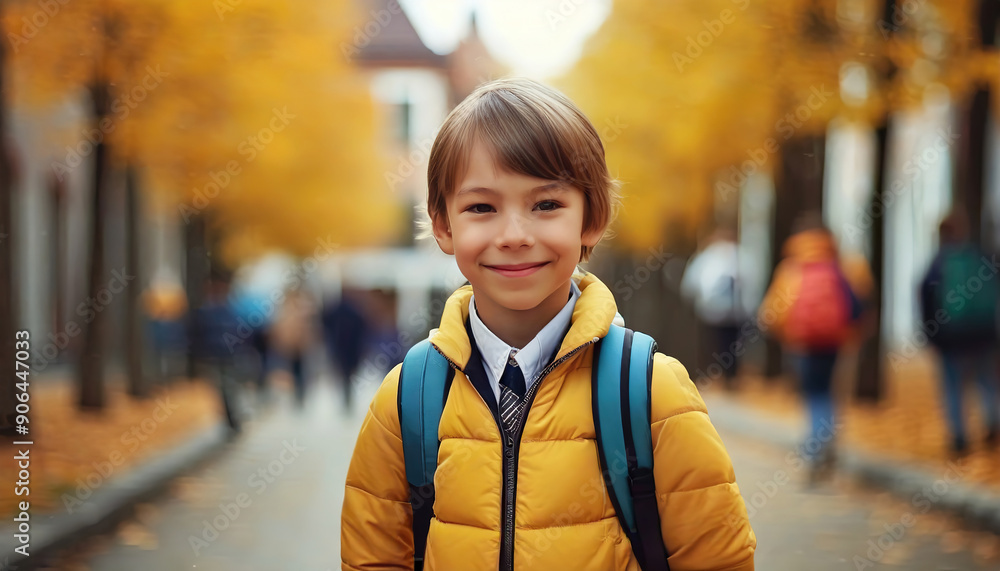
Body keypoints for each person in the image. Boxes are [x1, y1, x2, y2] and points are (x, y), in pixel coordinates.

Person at [341, 78, 756, 570]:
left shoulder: (650, 393)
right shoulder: (408, 397)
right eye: (481, 208)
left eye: (546, 205)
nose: (514, 235)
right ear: (443, 226)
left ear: (592, 218)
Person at [757, 215, 869, 483]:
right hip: (837, 341)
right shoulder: (846, 265)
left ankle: (815, 449)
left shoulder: (791, 268)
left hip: (803, 343)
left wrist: (788, 335)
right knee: (831, 393)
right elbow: (861, 303)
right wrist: (852, 334)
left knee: (814, 394)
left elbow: (772, 312)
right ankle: (826, 444)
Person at [919, 211, 1000, 456]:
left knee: (953, 385)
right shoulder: (979, 256)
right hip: (982, 332)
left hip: (951, 335)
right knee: (986, 380)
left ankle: (959, 437)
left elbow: (926, 298)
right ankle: (992, 419)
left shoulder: (938, 263)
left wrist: (930, 333)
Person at [681, 227, 746, 389]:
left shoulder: (707, 256)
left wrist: (694, 301)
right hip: (736, 312)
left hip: (709, 311)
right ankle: (731, 379)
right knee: (731, 345)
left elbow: (691, 283)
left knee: (711, 344)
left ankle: (712, 376)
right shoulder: (741, 255)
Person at [321, 290, 369, 412]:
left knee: (344, 375)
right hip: (350, 348)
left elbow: (325, 323)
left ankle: (346, 401)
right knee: (348, 376)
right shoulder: (355, 311)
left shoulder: (337, 310)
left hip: (341, 348)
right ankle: (347, 401)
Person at [269, 287, 318, 407]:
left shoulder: (302, 311)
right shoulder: (285, 312)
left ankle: (299, 396)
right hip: (289, 347)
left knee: (300, 372)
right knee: (288, 372)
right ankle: (293, 396)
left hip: (299, 348)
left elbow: (310, 330)